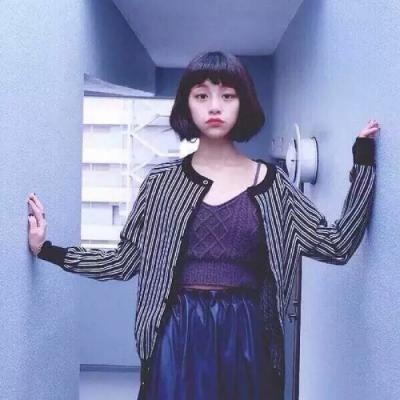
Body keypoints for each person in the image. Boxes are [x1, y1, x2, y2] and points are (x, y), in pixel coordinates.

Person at [27, 51, 379, 400]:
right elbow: (122, 262)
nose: (214, 106)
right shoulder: (161, 184)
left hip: (245, 332)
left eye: (227, 95)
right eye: (201, 96)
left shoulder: (274, 184)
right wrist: (47, 249)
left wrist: (362, 161)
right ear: (187, 105)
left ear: (243, 104)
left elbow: (336, 245)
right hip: (177, 329)